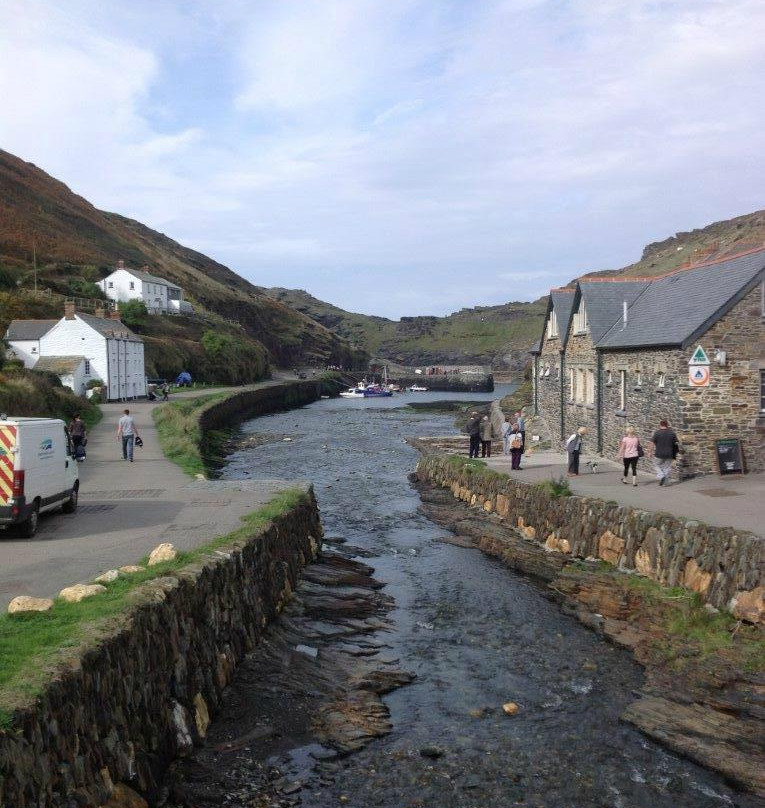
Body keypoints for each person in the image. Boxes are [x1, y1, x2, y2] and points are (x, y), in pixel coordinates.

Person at [651, 419, 679, 486]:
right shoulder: (672, 433)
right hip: (669, 453)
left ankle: (661, 476)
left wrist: (649, 451)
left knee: (656, 465)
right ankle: (665, 483)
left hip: (659, 453)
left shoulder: (657, 433)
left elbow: (652, 443)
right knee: (667, 467)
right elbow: (676, 443)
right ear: (667, 425)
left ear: (660, 425)